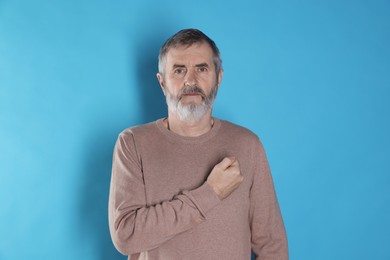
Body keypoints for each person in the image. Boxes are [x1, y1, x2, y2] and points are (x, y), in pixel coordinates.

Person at [108, 28, 288, 260]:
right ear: (162, 83)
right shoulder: (132, 144)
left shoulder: (247, 145)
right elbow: (126, 235)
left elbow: (272, 245)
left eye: (201, 69)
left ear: (219, 78)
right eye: (179, 70)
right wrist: (210, 193)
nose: (190, 81)